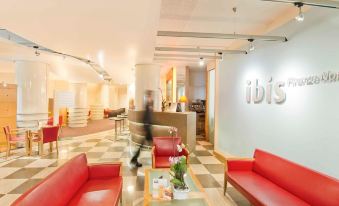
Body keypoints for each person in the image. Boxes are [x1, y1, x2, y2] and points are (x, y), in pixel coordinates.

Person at [130, 90, 154, 168]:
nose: (151, 97)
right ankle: (134, 159)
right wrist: (146, 126)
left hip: (148, 126)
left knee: (145, 144)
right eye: (150, 96)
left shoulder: (149, 104)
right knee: (150, 144)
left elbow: (149, 116)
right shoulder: (147, 104)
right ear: (148, 96)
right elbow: (145, 117)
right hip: (147, 127)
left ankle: (134, 159)